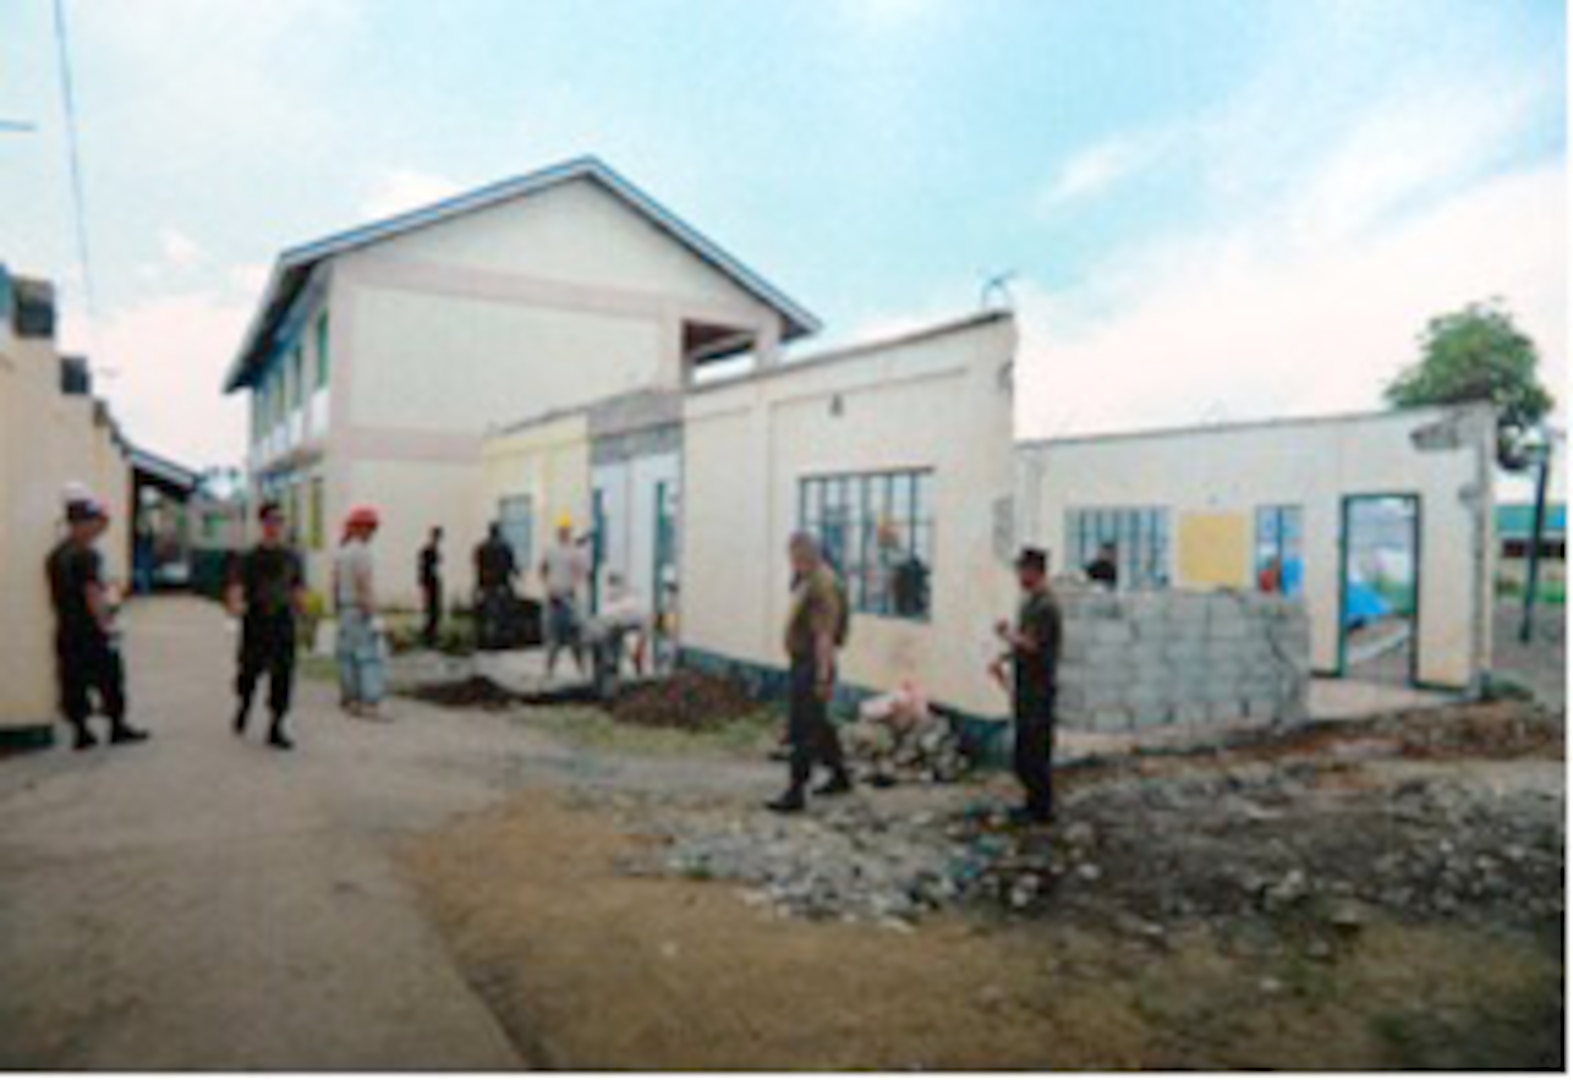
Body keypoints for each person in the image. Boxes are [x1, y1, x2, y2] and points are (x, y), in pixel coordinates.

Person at [46, 495, 148, 750]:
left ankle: (82, 732)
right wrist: (106, 624)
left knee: (73, 680)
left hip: (66, 627)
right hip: (90, 628)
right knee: (110, 677)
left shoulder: (56, 555)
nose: (98, 526)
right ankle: (117, 726)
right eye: (93, 521)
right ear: (80, 523)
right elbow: (92, 593)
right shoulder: (86, 555)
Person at [767, 532, 853, 813]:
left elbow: (824, 636)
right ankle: (840, 774)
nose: (792, 563)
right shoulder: (809, 580)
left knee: (802, 727)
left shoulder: (822, 585)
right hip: (805, 661)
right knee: (818, 722)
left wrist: (822, 676)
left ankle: (796, 790)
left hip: (812, 663)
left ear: (807, 555)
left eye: (795, 557)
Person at [991, 547, 1063, 825]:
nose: (1019, 576)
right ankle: (1031, 804)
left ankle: (1042, 810)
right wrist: (1004, 657)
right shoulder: (1030, 602)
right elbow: (1024, 642)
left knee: (1036, 752)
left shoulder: (1046, 606)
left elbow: (1033, 644)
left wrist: (1007, 634)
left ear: (1035, 571)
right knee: (1024, 753)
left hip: (1039, 690)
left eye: (1022, 570)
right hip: (1026, 687)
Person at [225, 502, 305, 750]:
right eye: (271, 520)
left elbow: (297, 588)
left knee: (283, 674)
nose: (276, 525)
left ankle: (276, 726)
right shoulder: (249, 557)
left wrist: (303, 613)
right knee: (249, 672)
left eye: (280, 520)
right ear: (263, 524)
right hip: (256, 621)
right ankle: (244, 705)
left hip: (282, 621)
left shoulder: (292, 557)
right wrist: (236, 605)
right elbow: (236, 586)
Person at [334, 505, 387, 719]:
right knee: (368, 657)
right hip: (358, 609)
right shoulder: (362, 553)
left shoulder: (342, 552)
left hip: (345, 610)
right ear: (362, 528)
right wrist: (373, 614)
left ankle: (351, 700)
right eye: (371, 528)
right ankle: (370, 703)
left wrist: (337, 607)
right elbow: (363, 584)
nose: (373, 533)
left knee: (347, 657)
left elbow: (335, 583)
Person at [539, 517, 589, 678]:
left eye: (566, 531)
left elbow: (580, 573)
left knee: (575, 637)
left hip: (568, 597)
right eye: (561, 530)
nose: (563, 533)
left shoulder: (575, 552)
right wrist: (549, 586)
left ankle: (582, 671)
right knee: (553, 637)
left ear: (569, 532)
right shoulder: (550, 549)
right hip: (553, 598)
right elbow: (542, 569)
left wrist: (571, 586)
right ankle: (549, 671)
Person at [473, 523, 517, 650]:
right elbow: (511, 565)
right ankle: (501, 639)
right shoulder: (505, 547)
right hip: (501, 583)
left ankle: (484, 639)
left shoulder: (481, 547)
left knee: (486, 612)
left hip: (486, 584)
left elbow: (478, 567)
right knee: (504, 612)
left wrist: (478, 585)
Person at [418, 526, 444, 648]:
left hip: (432, 582)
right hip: (430, 583)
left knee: (434, 610)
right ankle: (429, 635)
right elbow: (424, 568)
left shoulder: (432, 549)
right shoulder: (428, 550)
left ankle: (431, 634)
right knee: (431, 609)